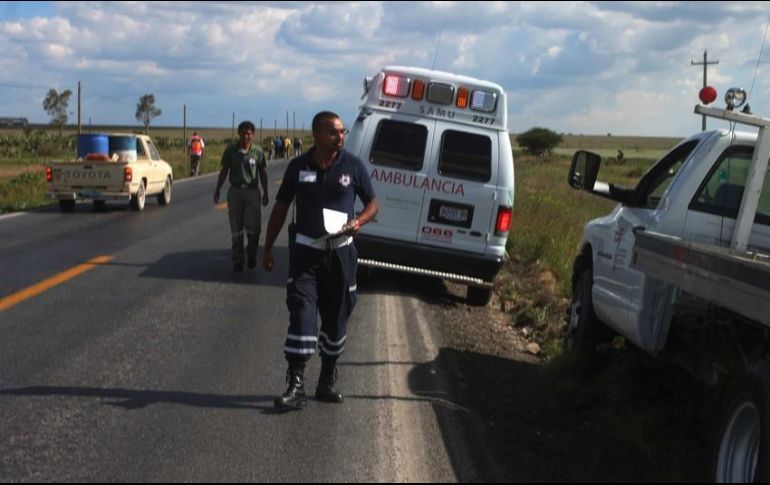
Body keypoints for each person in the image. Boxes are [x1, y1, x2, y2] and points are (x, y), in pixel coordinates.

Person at [263, 111, 378, 410]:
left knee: (337, 316)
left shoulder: (352, 166)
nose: (340, 137)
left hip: (341, 254)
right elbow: (281, 207)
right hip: (306, 254)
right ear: (316, 135)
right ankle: (296, 384)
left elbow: (373, 204)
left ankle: (327, 379)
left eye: (342, 132)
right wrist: (267, 248)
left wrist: (359, 221)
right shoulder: (298, 166)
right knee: (302, 312)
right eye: (333, 132)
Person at [213, 121, 270, 272]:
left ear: (253, 135)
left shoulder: (257, 151)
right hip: (235, 192)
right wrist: (218, 189)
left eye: (248, 133)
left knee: (254, 228)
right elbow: (224, 171)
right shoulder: (231, 150)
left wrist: (265, 192)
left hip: (252, 192)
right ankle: (237, 259)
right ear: (238, 134)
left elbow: (262, 173)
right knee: (236, 228)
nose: (245, 136)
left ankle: (251, 253)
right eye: (243, 133)